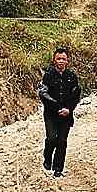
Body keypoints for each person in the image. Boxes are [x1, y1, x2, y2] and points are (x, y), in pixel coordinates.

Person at [38, 46, 81, 177]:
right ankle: (47, 159)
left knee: (62, 141)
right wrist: (57, 107)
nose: (61, 61)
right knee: (52, 138)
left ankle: (58, 169)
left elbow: (76, 94)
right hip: (51, 114)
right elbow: (43, 94)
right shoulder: (48, 76)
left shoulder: (72, 76)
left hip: (67, 114)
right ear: (54, 60)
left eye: (63, 59)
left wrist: (69, 108)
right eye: (58, 58)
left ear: (67, 61)